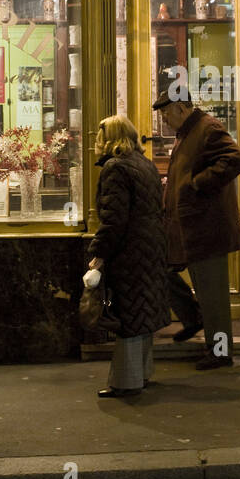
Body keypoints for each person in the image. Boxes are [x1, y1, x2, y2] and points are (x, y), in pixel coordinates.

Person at [153, 89, 240, 370]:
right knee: (163, 271)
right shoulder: (188, 132)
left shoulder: (208, 128)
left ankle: (220, 353)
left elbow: (237, 159)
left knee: (214, 297)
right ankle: (193, 318)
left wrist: (198, 184)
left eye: (166, 113)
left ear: (181, 108)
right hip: (187, 228)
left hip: (207, 230)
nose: (164, 120)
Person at [86, 114, 169, 398]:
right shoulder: (144, 164)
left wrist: (98, 255)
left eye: (99, 137)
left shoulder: (115, 168)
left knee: (128, 316)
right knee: (142, 313)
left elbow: (114, 220)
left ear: (109, 139)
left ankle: (126, 381)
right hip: (150, 248)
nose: (96, 143)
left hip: (129, 252)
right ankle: (142, 373)